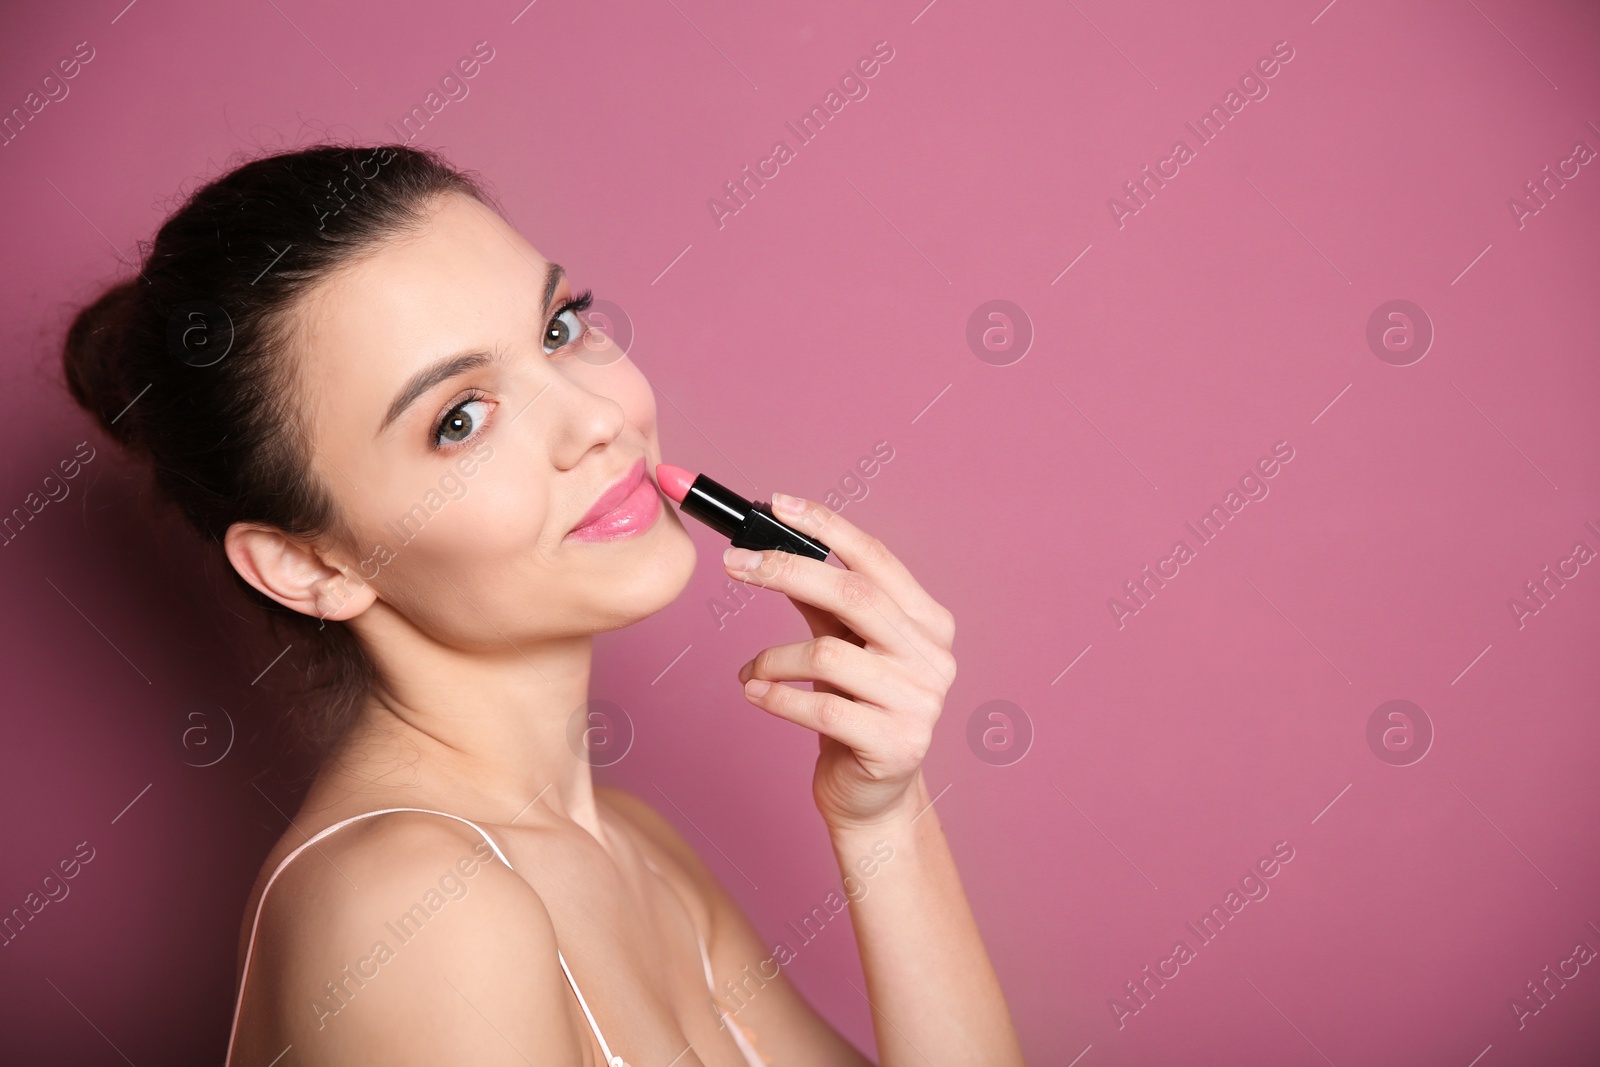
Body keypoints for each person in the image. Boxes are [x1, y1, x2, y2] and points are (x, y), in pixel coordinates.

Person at [59, 143, 1024, 1066]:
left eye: (561, 328)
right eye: (461, 420)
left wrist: (883, 818)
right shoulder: (411, 908)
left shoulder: (637, 851)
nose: (596, 418)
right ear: (308, 565)